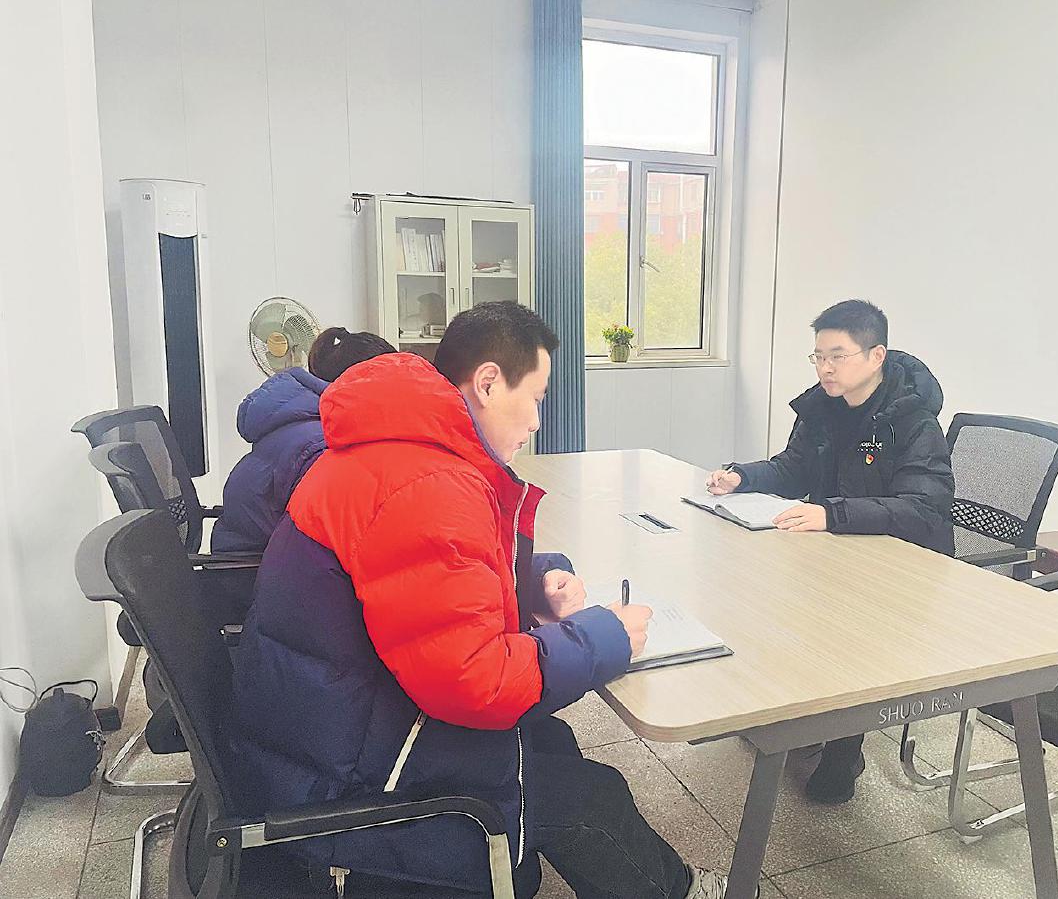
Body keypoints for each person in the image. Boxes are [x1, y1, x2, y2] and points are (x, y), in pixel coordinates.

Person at [234, 302, 735, 898]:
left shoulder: (400, 453)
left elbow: (433, 576)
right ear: (490, 383)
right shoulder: (425, 484)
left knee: (552, 744)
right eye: (536, 398)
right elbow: (477, 681)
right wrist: (604, 636)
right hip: (349, 782)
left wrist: (533, 581)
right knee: (587, 798)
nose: (537, 422)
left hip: (331, 727)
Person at [707, 298, 954, 804]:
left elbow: (924, 509)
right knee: (758, 591)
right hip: (834, 551)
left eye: (837, 356)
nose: (825, 368)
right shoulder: (822, 408)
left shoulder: (913, 423)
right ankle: (794, 711)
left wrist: (831, 515)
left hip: (900, 570)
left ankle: (845, 746)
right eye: (818, 356)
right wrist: (742, 476)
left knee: (848, 629)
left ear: (876, 356)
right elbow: (794, 467)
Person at [210, 327, 396, 553]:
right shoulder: (321, 445)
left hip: (241, 552)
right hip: (257, 566)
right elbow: (325, 539)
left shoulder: (298, 417)